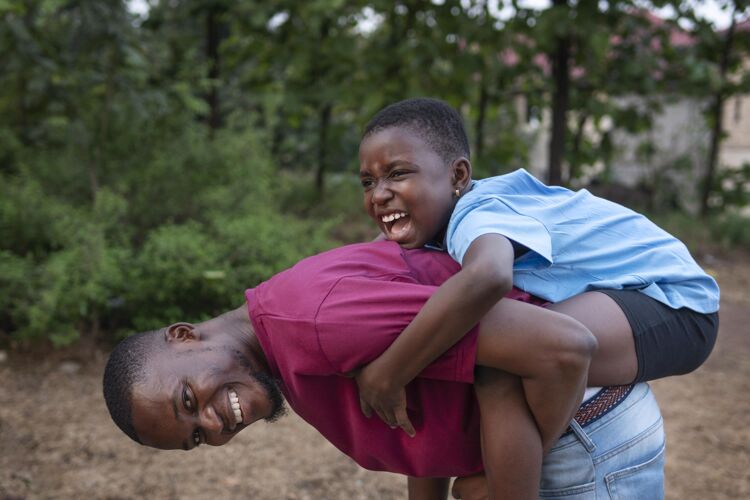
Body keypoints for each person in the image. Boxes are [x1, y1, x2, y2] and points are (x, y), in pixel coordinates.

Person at [355, 98, 720, 497]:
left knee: (505, 360)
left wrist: (390, 371)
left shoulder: (476, 213)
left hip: (675, 302)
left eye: (397, 174)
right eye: (368, 182)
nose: (380, 194)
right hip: (630, 294)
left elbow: (489, 276)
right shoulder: (430, 231)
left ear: (457, 175)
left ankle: (502, 484)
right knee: (456, 345)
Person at [103, 241, 665, 499]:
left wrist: (496, 479)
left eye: (186, 400)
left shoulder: (308, 321)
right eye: (196, 438)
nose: (212, 423)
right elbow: (428, 413)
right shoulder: (284, 350)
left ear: (183, 336)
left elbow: (560, 348)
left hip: (577, 441)